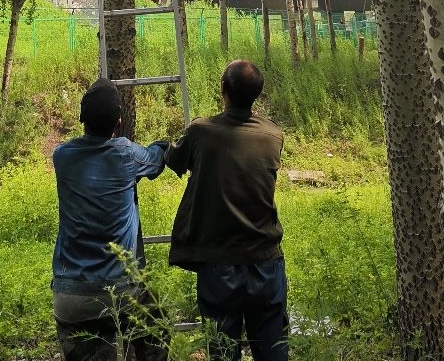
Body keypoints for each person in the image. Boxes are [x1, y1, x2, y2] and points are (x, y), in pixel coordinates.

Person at [164, 60, 288, 361]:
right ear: (257, 95)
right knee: (272, 349)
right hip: (266, 261)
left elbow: (174, 160)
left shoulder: (201, 131)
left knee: (221, 349)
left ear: (223, 90)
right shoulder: (273, 135)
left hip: (218, 265)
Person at [52, 77, 169, 361]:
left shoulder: (62, 156)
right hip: (120, 290)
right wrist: (163, 145)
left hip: (70, 295)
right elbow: (155, 160)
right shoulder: (126, 153)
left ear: (82, 119)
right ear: (119, 121)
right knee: (156, 326)